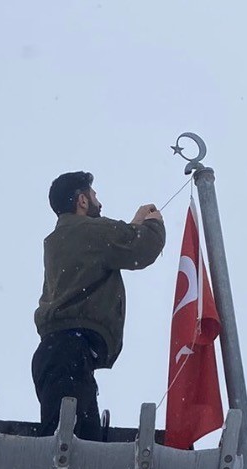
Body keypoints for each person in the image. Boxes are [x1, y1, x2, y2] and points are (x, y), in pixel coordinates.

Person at [32, 171, 165, 438]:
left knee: (70, 446)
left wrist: (132, 226)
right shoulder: (90, 232)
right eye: (94, 195)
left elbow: (103, 248)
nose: (98, 203)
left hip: (59, 352)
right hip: (70, 352)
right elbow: (143, 248)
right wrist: (152, 223)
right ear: (82, 200)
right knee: (69, 450)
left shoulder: (66, 236)